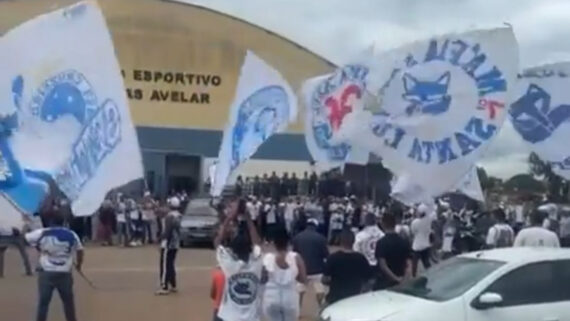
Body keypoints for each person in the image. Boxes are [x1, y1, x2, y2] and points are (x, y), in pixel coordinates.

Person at [25, 214, 84, 321]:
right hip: (65, 272)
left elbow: (26, 238)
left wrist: (39, 247)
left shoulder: (42, 232)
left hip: (46, 272)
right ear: (64, 223)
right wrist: (79, 265)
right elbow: (80, 250)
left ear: (51, 222)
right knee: (68, 302)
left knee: (43, 303)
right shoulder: (71, 234)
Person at [214, 198, 264, 321]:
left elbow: (217, 242)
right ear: (250, 249)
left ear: (233, 251)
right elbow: (256, 242)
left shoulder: (229, 265)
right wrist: (248, 219)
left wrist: (229, 217)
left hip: (229, 317)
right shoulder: (256, 264)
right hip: (251, 318)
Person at [262, 227, 307, 321]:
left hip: (272, 298)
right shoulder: (296, 257)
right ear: (288, 242)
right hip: (290, 298)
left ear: (274, 242)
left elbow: (263, 279)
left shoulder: (268, 258)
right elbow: (303, 279)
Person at [323, 230, 370, 305]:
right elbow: (367, 280)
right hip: (354, 298)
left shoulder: (333, 258)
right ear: (354, 241)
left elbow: (324, 279)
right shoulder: (361, 258)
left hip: (335, 297)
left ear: (340, 241)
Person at [292, 218, 328, 307]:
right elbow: (326, 255)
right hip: (317, 270)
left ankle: (298, 311)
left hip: (302, 269)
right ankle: (321, 309)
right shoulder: (321, 238)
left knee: (300, 290)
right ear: (315, 226)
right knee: (319, 290)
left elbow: (295, 254)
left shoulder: (297, 237)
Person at [374, 213, 412, 290]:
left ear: (383, 224)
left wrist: (395, 278)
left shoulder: (381, 243)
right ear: (395, 224)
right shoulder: (404, 241)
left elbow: (383, 265)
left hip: (384, 282)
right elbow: (409, 263)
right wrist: (404, 278)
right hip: (401, 277)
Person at [156, 197, 182, 295]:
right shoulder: (179, 216)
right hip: (175, 244)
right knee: (171, 264)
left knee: (165, 265)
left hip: (168, 244)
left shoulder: (169, 217)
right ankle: (173, 284)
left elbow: (167, 231)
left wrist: (161, 239)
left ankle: (164, 286)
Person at [410, 203, 435, 276]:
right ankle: (431, 275)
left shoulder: (415, 222)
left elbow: (413, 232)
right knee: (426, 263)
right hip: (426, 245)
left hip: (416, 246)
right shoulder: (428, 221)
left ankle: (414, 277)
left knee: (414, 264)